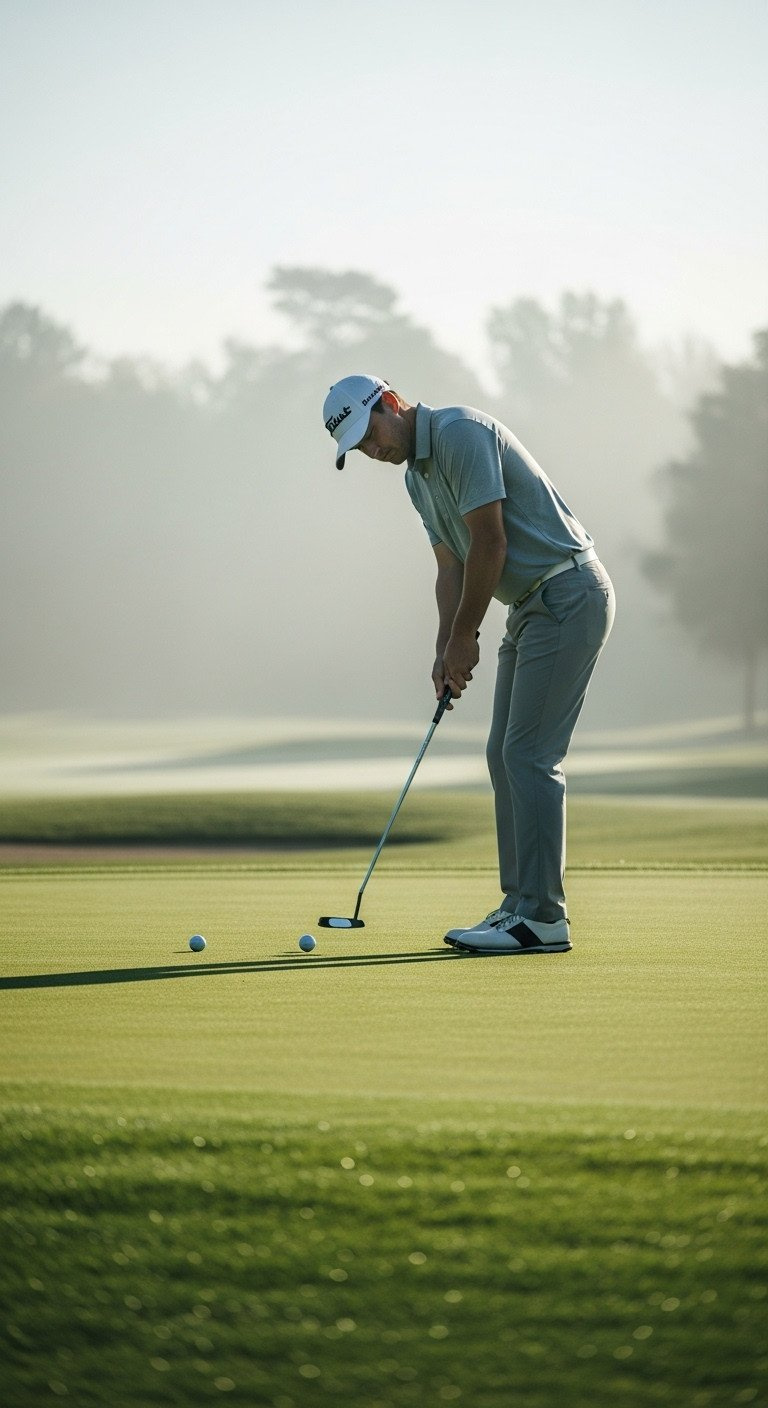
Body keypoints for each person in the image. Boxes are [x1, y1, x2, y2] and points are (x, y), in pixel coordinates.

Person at [322, 375, 615, 955]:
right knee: (502, 754)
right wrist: (443, 645)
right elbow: (451, 564)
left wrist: (465, 634)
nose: (371, 449)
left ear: (392, 404)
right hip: (531, 606)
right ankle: (518, 908)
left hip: (566, 592)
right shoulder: (416, 477)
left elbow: (491, 543)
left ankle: (544, 918)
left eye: (370, 432)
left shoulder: (458, 433)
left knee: (528, 755)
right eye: (358, 447)